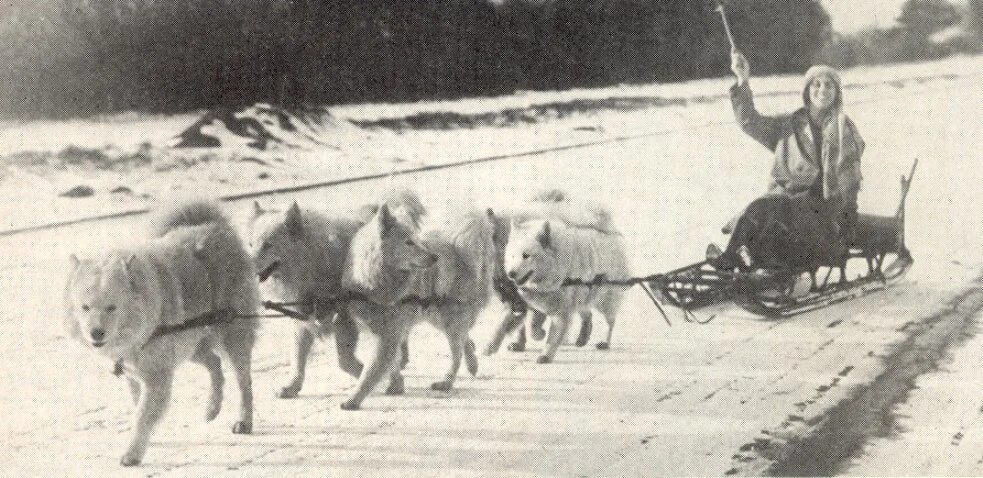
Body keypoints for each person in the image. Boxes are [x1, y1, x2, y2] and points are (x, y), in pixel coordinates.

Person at [713, 50, 865, 272]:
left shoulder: (845, 130)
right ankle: (734, 259)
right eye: (817, 84)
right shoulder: (789, 124)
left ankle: (739, 262)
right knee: (758, 210)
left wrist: (847, 222)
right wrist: (742, 80)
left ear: (837, 93)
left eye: (829, 86)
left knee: (766, 209)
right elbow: (749, 122)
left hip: (821, 211)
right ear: (807, 91)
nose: (822, 90)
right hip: (784, 201)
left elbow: (849, 182)